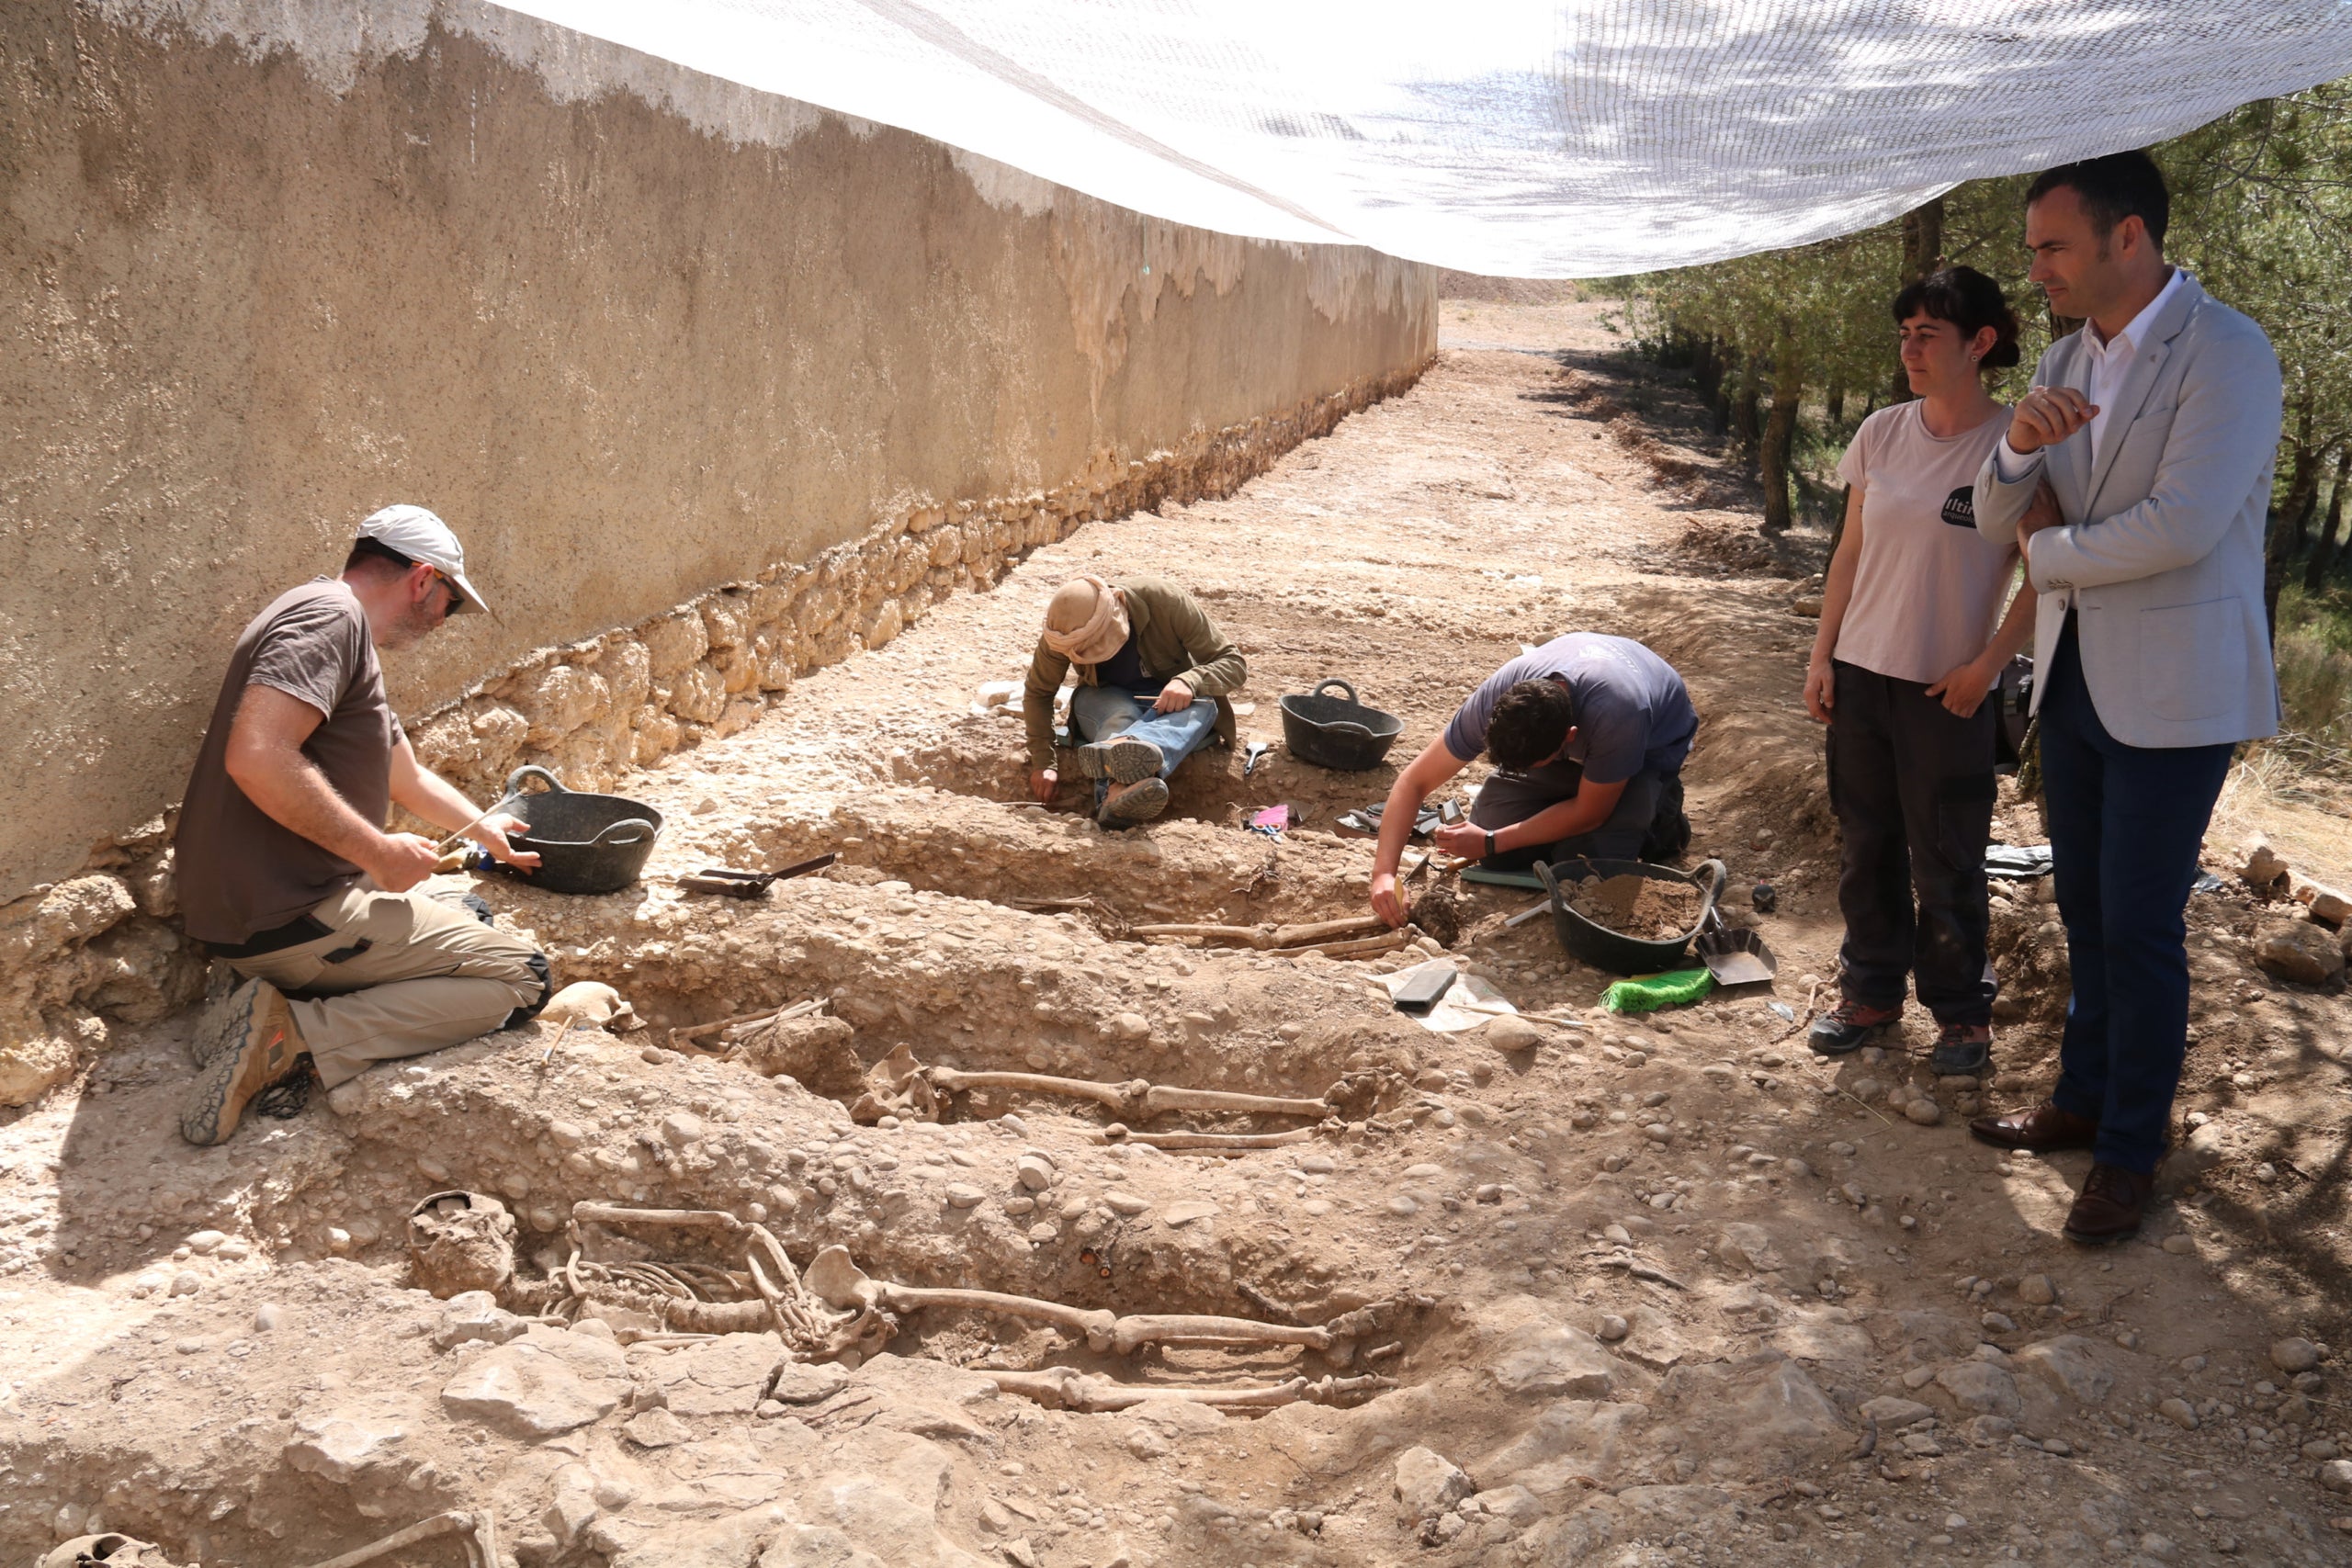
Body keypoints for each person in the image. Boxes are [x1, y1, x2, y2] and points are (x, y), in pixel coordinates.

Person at [1966, 152, 2283, 1244]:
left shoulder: (2227, 352)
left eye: (2052, 247)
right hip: (2073, 679)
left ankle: (2128, 1151)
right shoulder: (2062, 359)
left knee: (2141, 924)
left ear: (2128, 237)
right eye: (2033, 250)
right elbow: (1990, 507)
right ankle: (2081, 1099)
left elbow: (2182, 526)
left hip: (2177, 692)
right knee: (2085, 910)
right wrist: (2017, 446)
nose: (2036, 270)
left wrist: (2047, 549)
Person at [175, 505, 553, 1146]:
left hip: (261, 911)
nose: (445, 619)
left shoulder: (338, 630)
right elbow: (258, 755)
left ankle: (254, 991)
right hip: (292, 915)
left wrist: (486, 829)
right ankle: (291, 1035)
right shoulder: (331, 620)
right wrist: (377, 851)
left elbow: (408, 779)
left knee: (470, 910)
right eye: (452, 602)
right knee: (523, 977)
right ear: (423, 579)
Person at [1803, 266, 2042, 1077]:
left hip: (1949, 692)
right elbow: (1850, 553)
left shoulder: (2015, 447)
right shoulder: (1880, 432)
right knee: (1866, 847)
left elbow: (2045, 573)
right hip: (1860, 678)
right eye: (1904, 334)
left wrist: (1987, 667)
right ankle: (1869, 994)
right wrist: (1823, 655)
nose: (1909, 349)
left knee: (1947, 858)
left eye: (1928, 334)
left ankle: (1962, 1014)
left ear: (1980, 342)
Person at [1370, 633, 1697, 927]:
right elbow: (1413, 783)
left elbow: (1589, 813)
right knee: (1496, 842)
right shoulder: (1501, 699)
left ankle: (1662, 814)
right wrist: (1384, 874)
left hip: (1646, 751)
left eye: (1529, 767)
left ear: (1569, 737)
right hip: (1578, 741)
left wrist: (1492, 840)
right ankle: (1562, 811)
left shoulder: (1620, 713)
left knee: (1587, 866)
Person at [1022, 575, 1246, 827]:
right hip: (1103, 699)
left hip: (1171, 703)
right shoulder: (1063, 632)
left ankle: (1117, 784)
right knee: (1121, 714)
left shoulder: (1164, 601)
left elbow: (1233, 663)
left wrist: (1188, 681)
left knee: (1204, 706)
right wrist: (1044, 762)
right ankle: (1122, 764)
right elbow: (1038, 692)